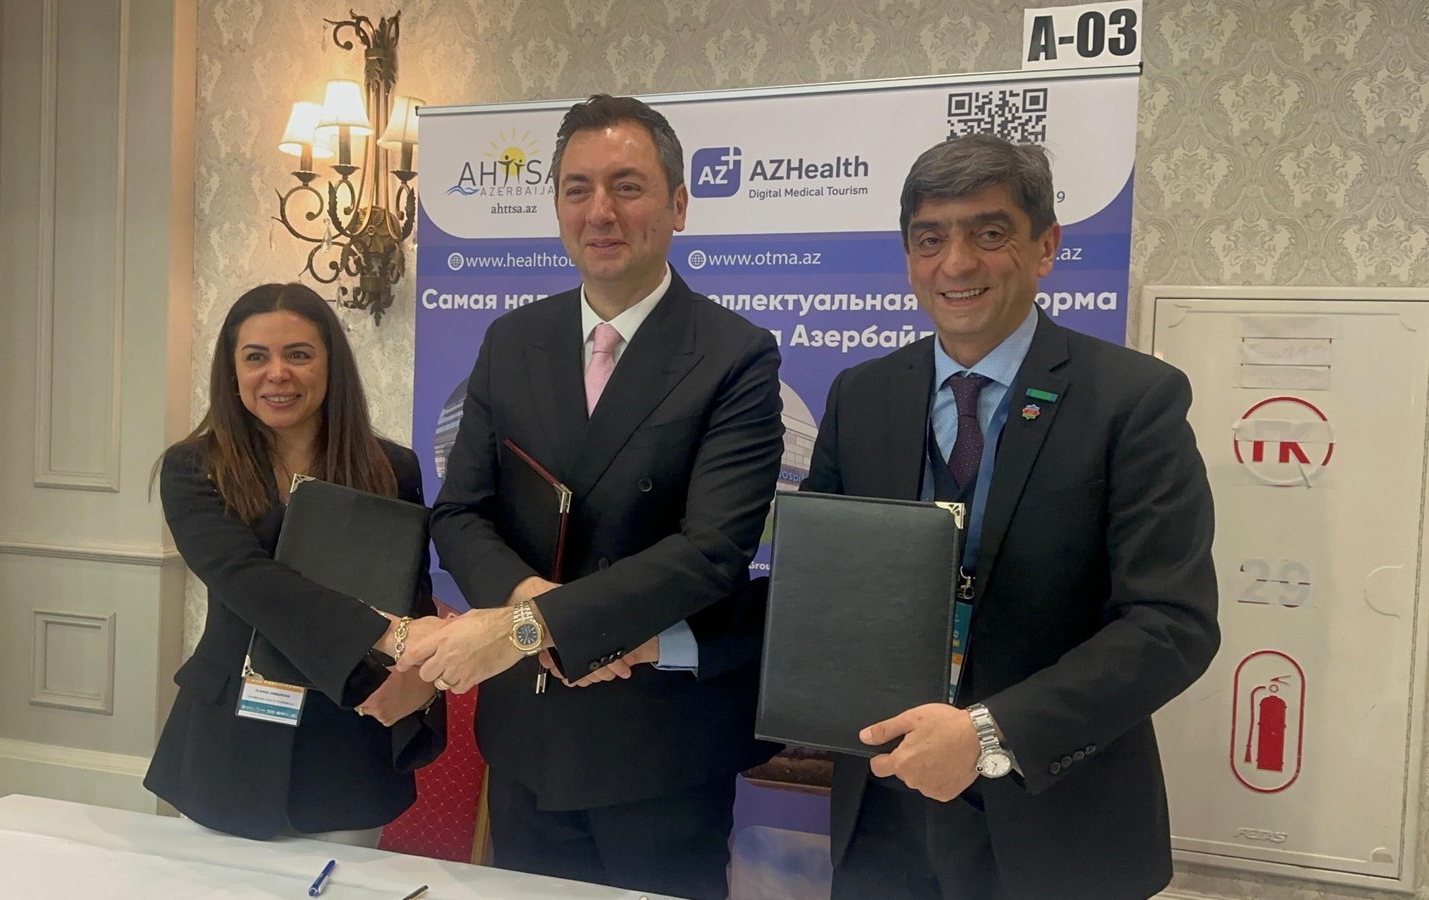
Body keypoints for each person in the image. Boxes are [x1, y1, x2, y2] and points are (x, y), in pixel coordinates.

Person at [801, 133, 1220, 899]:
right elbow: (819, 586)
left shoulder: (1133, 401)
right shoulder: (861, 395)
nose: (956, 263)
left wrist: (985, 733)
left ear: (1046, 246)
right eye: (930, 238)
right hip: (885, 818)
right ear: (909, 255)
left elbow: (1171, 624)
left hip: (1058, 826)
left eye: (989, 233)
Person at [401, 95, 784, 899]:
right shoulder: (512, 341)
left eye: (627, 186)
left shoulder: (734, 355)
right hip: (528, 734)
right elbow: (461, 513)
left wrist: (532, 626)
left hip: (658, 748)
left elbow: (711, 552)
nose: (600, 211)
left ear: (679, 205)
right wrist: (529, 605)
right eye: (577, 189)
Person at [145, 282, 445, 844]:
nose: (277, 373)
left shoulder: (392, 468)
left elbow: (413, 594)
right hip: (229, 747)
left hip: (349, 744)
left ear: (331, 366)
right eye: (256, 357)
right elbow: (248, 581)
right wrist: (385, 635)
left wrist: (421, 683)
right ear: (232, 371)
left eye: (299, 354)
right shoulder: (193, 468)